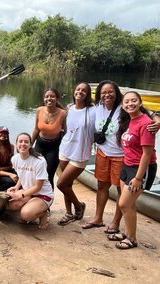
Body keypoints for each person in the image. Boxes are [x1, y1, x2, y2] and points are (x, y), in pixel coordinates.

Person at [82, 80, 160, 232]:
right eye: (103, 92)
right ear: (99, 95)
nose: (107, 95)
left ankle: (115, 223)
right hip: (103, 153)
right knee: (101, 186)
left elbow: (150, 114)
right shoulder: (98, 107)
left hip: (121, 156)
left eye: (110, 91)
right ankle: (98, 218)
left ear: (116, 93)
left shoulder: (124, 106)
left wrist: (157, 122)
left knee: (120, 190)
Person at [107, 91, 157, 249]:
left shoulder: (145, 123)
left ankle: (132, 239)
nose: (130, 104)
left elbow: (148, 154)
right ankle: (127, 233)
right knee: (129, 204)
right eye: (127, 102)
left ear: (140, 103)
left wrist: (137, 178)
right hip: (127, 165)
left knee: (123, 203)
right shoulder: (130, 120)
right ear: (123, 105)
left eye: (134, 101)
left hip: (141, 169)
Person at [57, 83, 95, 225]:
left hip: (80, 152)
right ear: (74, 92)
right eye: (78, 89)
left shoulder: (94, 110)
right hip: (65, 149)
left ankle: (78, 206)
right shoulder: (69, 109)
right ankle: (68, 212)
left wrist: (153, 117)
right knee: (68, 184)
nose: (80, 92)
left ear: (88, 94)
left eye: (84, 90)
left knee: (61, 183)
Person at [6, 133, 54, 229]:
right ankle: (31, 207)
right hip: (29, 192)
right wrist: (16, 187)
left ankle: (44, 213)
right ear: (16, 144)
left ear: (31, 145)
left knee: (25, 215)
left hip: (43, 195)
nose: (23, 144)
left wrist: (21, 195)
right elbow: (22, 175)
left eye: (26, 142)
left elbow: (38, 187)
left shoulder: (39, 161)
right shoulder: (15, 159)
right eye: (20, 141)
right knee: (10, 205)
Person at [31, 88, 67, 189]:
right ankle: (35, 197)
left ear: (57, 98)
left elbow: (66, 134)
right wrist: (30, 145)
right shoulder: (39, 110)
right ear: (44, 98)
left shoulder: (63, 114)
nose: (49, 98)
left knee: (48, 175)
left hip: (54, 147)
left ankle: (47, 201)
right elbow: (36, 129)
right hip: (40, 144)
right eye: (47, 96)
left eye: (52, 96)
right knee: (36, 173)